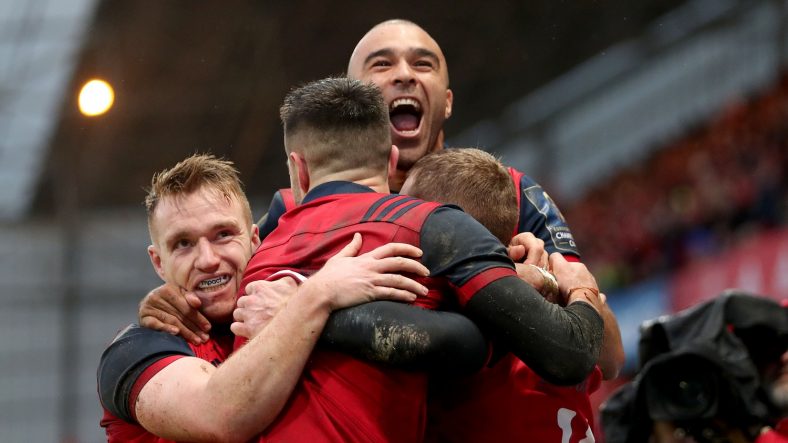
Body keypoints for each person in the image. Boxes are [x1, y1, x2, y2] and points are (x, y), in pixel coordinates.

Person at [239, 76, 604, 442]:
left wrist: (300, 310)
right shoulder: (424, 226)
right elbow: (566, 354)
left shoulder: (250, 259)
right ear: (391, 160)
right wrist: (578, 287)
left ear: (298, 169)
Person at [97, 154, 449, 442]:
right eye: (183, 244)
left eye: (222, 235)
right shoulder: (134, 351)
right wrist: (317, 294)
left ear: (254, 240)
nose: (207, 259)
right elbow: (220, 417)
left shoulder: (301, 306)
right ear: (158, 262)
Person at [400, 147, 624, 441]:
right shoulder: (563, 313)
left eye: (405, 211)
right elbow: (611, 358)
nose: (397, 221)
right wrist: (570, 288)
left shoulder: (444, 318)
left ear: (449, 226)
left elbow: (612, 358)